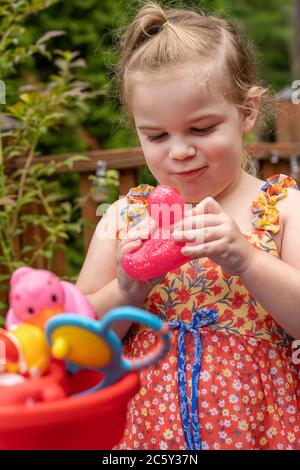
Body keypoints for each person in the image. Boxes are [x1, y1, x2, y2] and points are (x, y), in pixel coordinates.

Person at [76, 1, 300, 450]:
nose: (178, 151)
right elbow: (77, 340)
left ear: (248, 111)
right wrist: (126, 289)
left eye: (201, 128)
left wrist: (248, 261)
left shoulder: (282, 209)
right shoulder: (124, 219)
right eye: (157, 136)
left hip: (259, 430)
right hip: (147, 435)